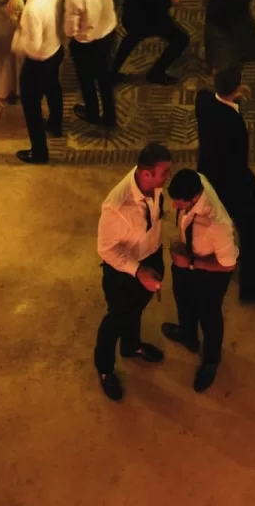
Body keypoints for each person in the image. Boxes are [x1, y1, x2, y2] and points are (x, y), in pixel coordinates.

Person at [94, 141, 174, 401]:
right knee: (116, 319)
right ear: (146, 173)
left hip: (152, 255)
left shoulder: (154, 185)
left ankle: (131, 346)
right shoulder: (117, 207)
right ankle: (105, 369)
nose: (168, 176)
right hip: (124, 271)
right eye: (165, 172)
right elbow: (106, 250)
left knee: (137, 308)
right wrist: (139, 272)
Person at [196, 67, 255, 303]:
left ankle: (223, 256)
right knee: (252, 231)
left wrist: (233, 97)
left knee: (216, 223)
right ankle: (251, 289)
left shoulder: (202, 100)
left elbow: (213, 99)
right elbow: (238, 163)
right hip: (232, 184)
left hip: (207, 179)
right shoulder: (234, 124)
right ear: (238, 86)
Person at [161, 168, 239, 393]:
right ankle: (188, 335)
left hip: (210, 273)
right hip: (187, 259)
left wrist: (192, 263)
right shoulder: (198, 180)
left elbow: (228, 265)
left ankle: (211, 360)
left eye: (179, 202)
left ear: (195, 197)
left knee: (209, 314)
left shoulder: (218, 224)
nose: (174, 206)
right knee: (183, 299)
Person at [12, 0, 63, 164]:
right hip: (56, 49)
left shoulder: (31, 9)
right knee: (53, 88)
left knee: (31, 104)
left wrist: (18, 31)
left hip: (39, 61)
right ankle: (56, 124)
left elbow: (33, 46)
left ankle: (39, 151)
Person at [64, 0, 118, 129]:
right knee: (105, 78)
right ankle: (110, 116)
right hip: (108, 33)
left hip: (86, 44)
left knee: (86, 79)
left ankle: (93, 113)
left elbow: (70, 30)